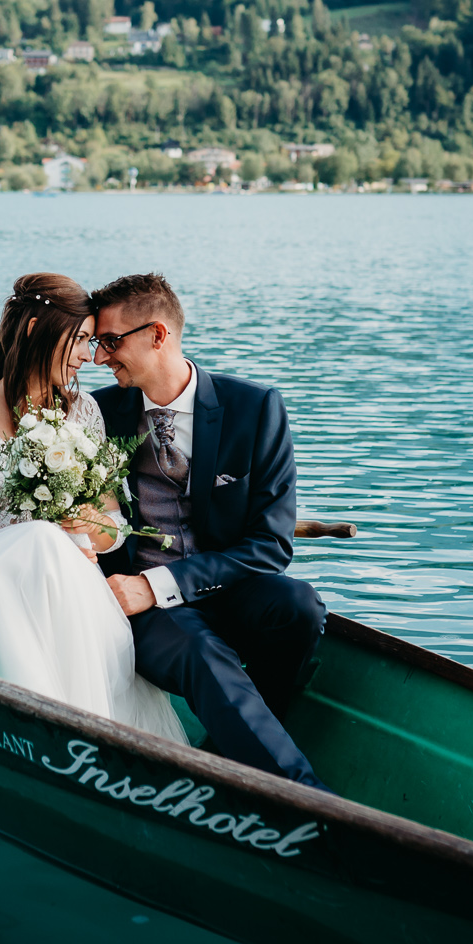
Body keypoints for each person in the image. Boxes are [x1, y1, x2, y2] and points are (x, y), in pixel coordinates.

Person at [0, 273, 189, 743]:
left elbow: (112, 526)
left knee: (48, 542)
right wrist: (17, 546)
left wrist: (94, 526)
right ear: (35, 330)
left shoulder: (86, 412)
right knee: (34, 541)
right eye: (81, 340)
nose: (88, 357)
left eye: (94, 342)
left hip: (70, 593)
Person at [87, 272, 327, 789]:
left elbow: (272, 544)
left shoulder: (254, 409)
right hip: (136, 603)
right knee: (200, 650)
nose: (101, 357)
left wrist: (160, 584)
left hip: (222, 587)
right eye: (96, 344)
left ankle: (234, 754)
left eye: (110, 341)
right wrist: (139, 586)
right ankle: (304, 794)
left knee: (299, 607)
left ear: (157, 335)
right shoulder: (99, 415)